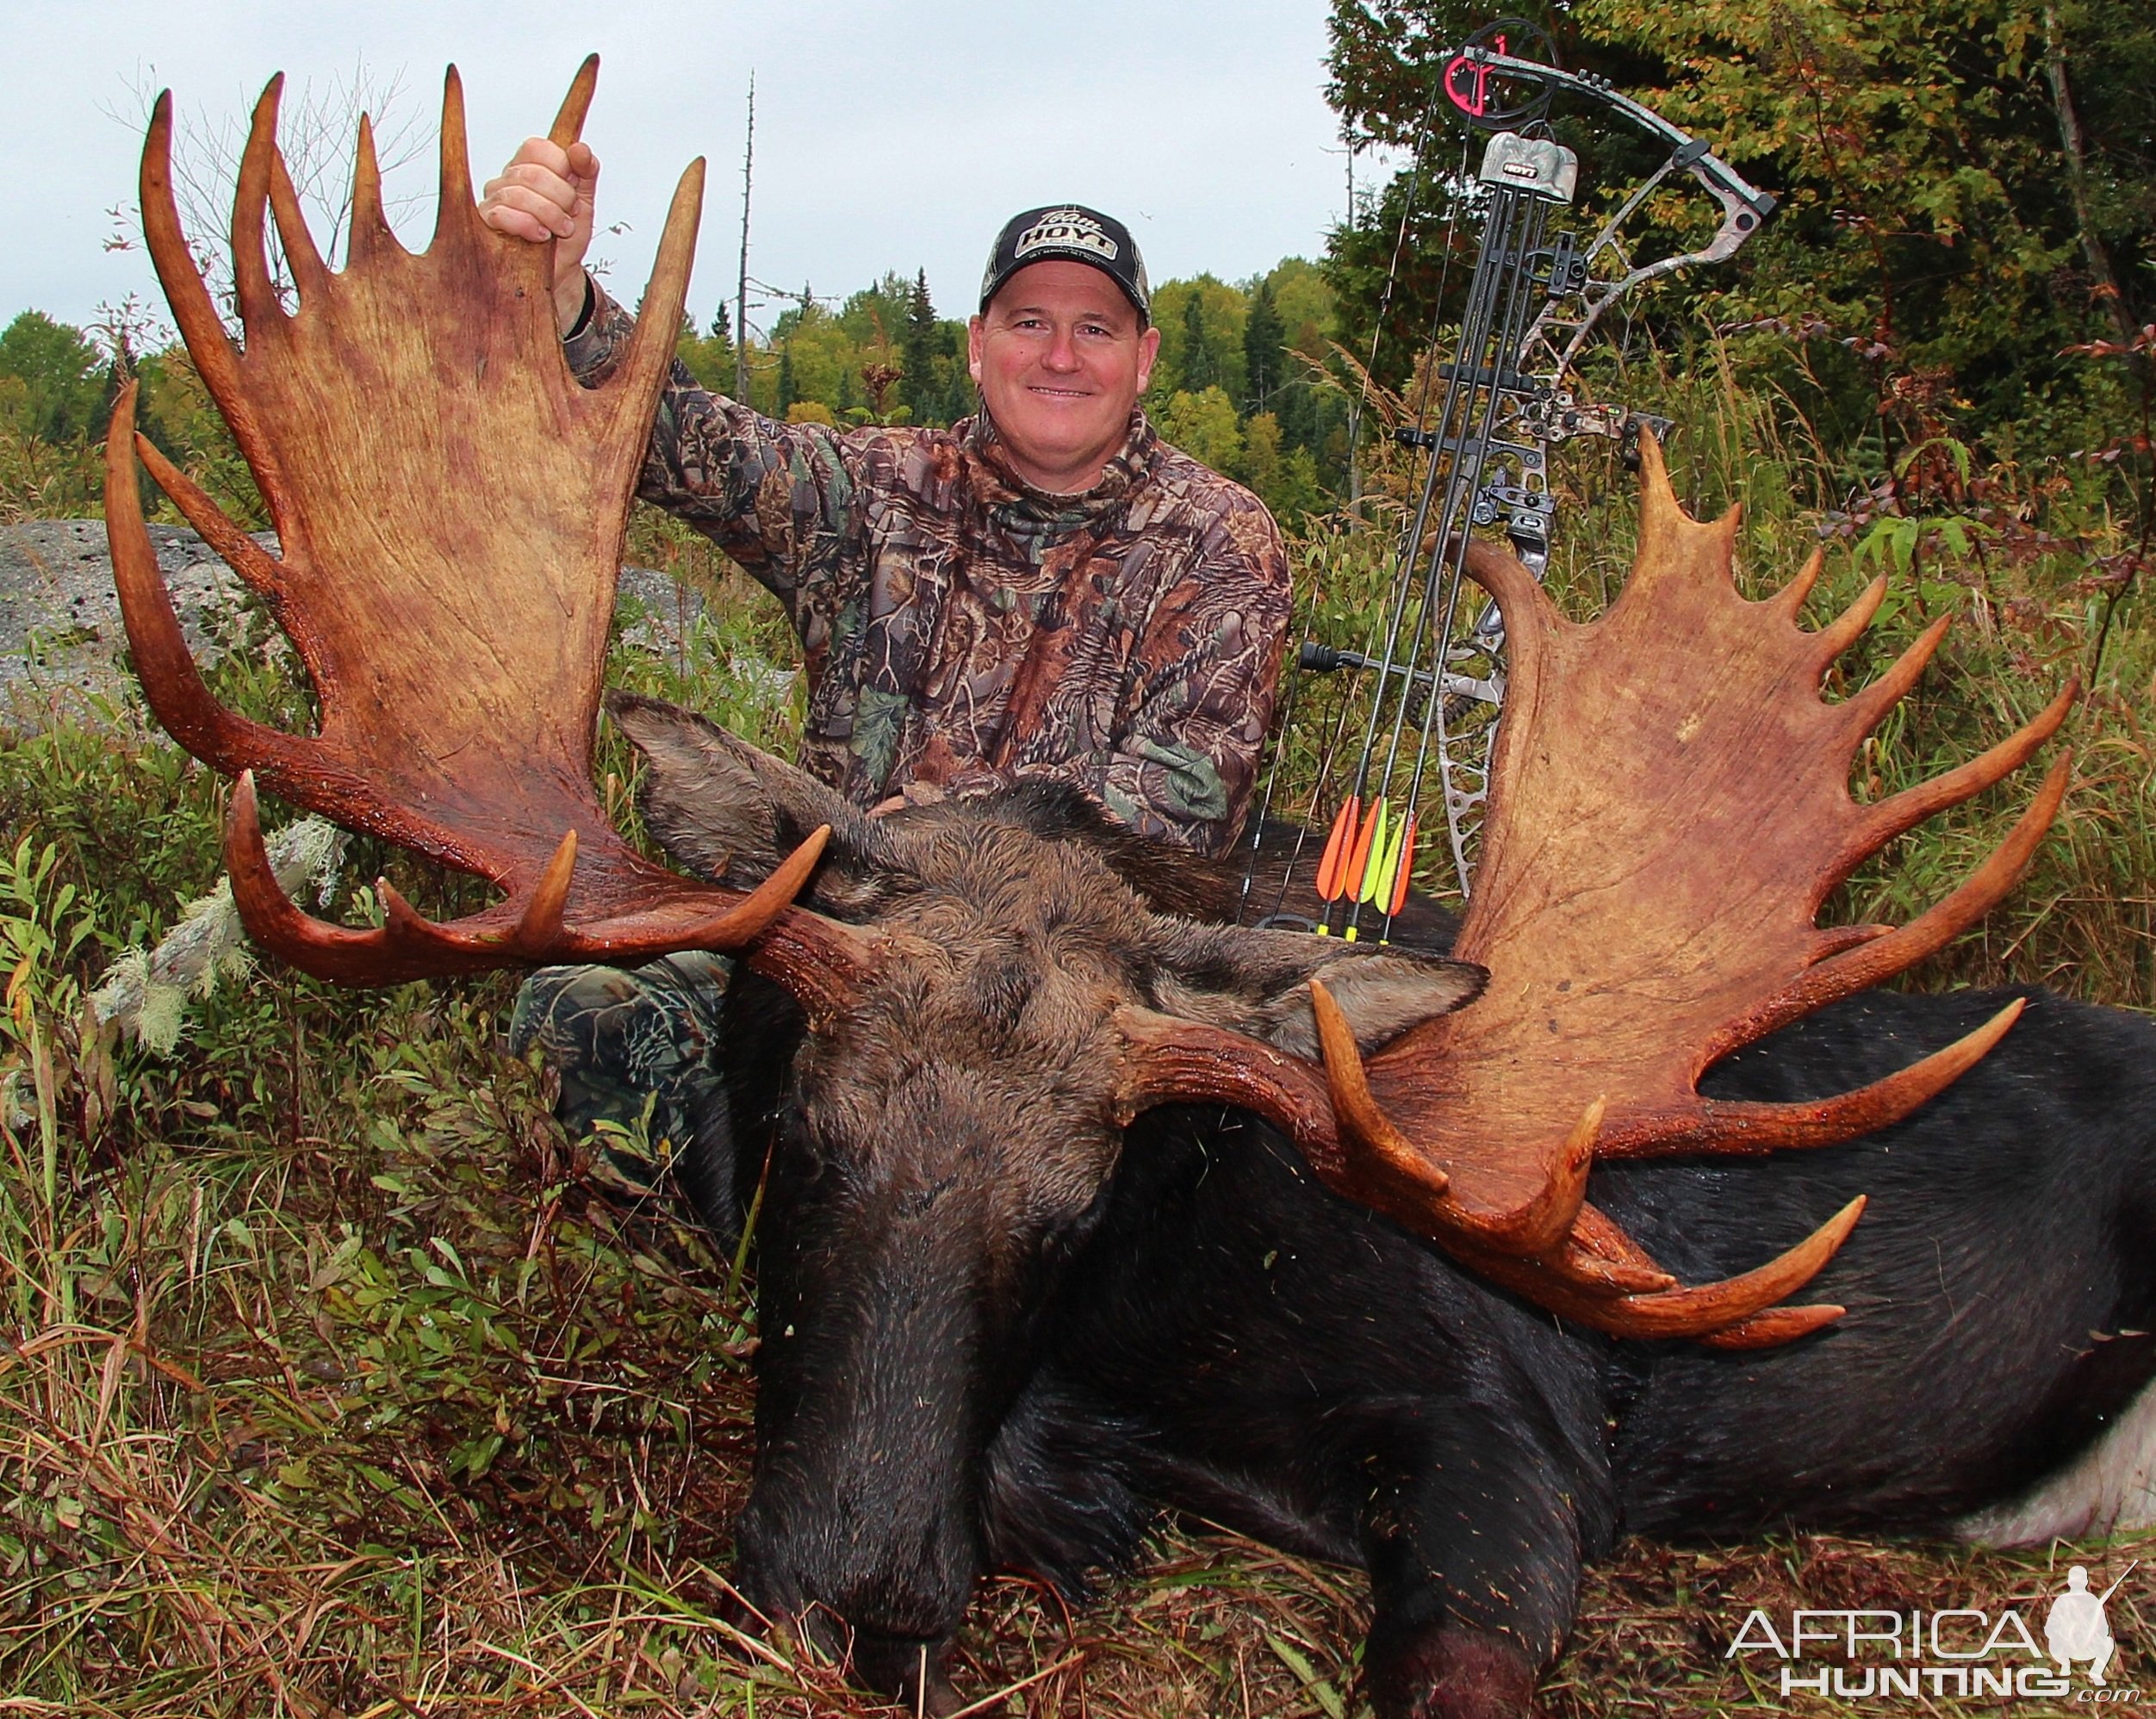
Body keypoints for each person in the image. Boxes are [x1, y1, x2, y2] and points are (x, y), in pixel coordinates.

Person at [476, 135, 1293, 1180]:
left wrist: (926, 836)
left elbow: (1182, 803)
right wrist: (566, 304)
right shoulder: (878, 490)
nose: (1059, 355)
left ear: (1143, 357)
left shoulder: (1218, 535)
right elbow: (685, 444)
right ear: (976, 343)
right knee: (576, 1006)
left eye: (1095, 328)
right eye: (1029, 322)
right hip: (839, 954)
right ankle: (768, 1215)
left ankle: (815, 1205)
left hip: (1058, 997)